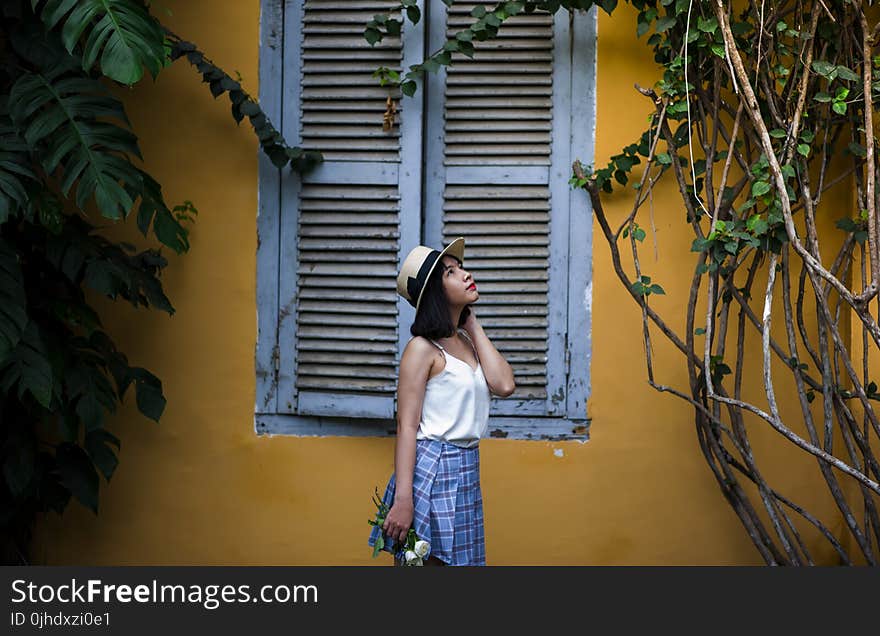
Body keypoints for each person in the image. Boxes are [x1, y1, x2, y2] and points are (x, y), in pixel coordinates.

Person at [368, 237, 516, 566]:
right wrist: (404, 499)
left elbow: (504, 385)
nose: (465, 273)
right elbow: (407, 426)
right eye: (451, 272)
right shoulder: (422, 349)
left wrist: (471, 323)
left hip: (466, 470)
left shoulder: (466, 341)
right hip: (431, 471)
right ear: (436, 291)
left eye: (460, 267)